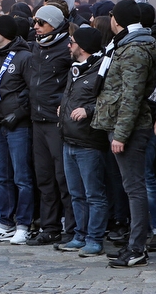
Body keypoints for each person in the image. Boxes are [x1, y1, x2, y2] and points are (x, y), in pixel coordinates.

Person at [91, 0, 156, 268]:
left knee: (134, 189)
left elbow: (131, 96)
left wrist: (120, 134)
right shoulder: (126, 45)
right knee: (131, 187)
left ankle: (137, 248)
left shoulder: (134, 50)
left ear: (117, 20)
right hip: (121, 124)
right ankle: (134, 243)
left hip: (130, 127)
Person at [0, 15, 36, 245]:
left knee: (22, 178)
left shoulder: (25, 57)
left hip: (18, 126)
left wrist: (19, 114)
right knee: (2, 177)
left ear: (4, 33)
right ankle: (5, 223)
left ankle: (24, 224)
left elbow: (31, 91)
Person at [58, 26, 109, 257]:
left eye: (72, 41)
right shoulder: (75, 69)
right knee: (76, 193)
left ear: (83, 46)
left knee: (93, 194)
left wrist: (87, 110)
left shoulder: (101, 70)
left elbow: (108, 101)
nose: (69, 45)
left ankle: (95, 238)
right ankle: (79, 235)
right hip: (69, 139)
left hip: (89, 142)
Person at [27, 3, 74, 245]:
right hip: (37, 120)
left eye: (41, 23)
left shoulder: (67, 49)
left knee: (62, 178)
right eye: (35, 22)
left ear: (54, 25)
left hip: (57, 122)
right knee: (43, 177)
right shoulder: (35, 47)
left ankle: (73, 228)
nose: (36, 27)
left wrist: (63, 105)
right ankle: (50, 226)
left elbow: (74, 83)